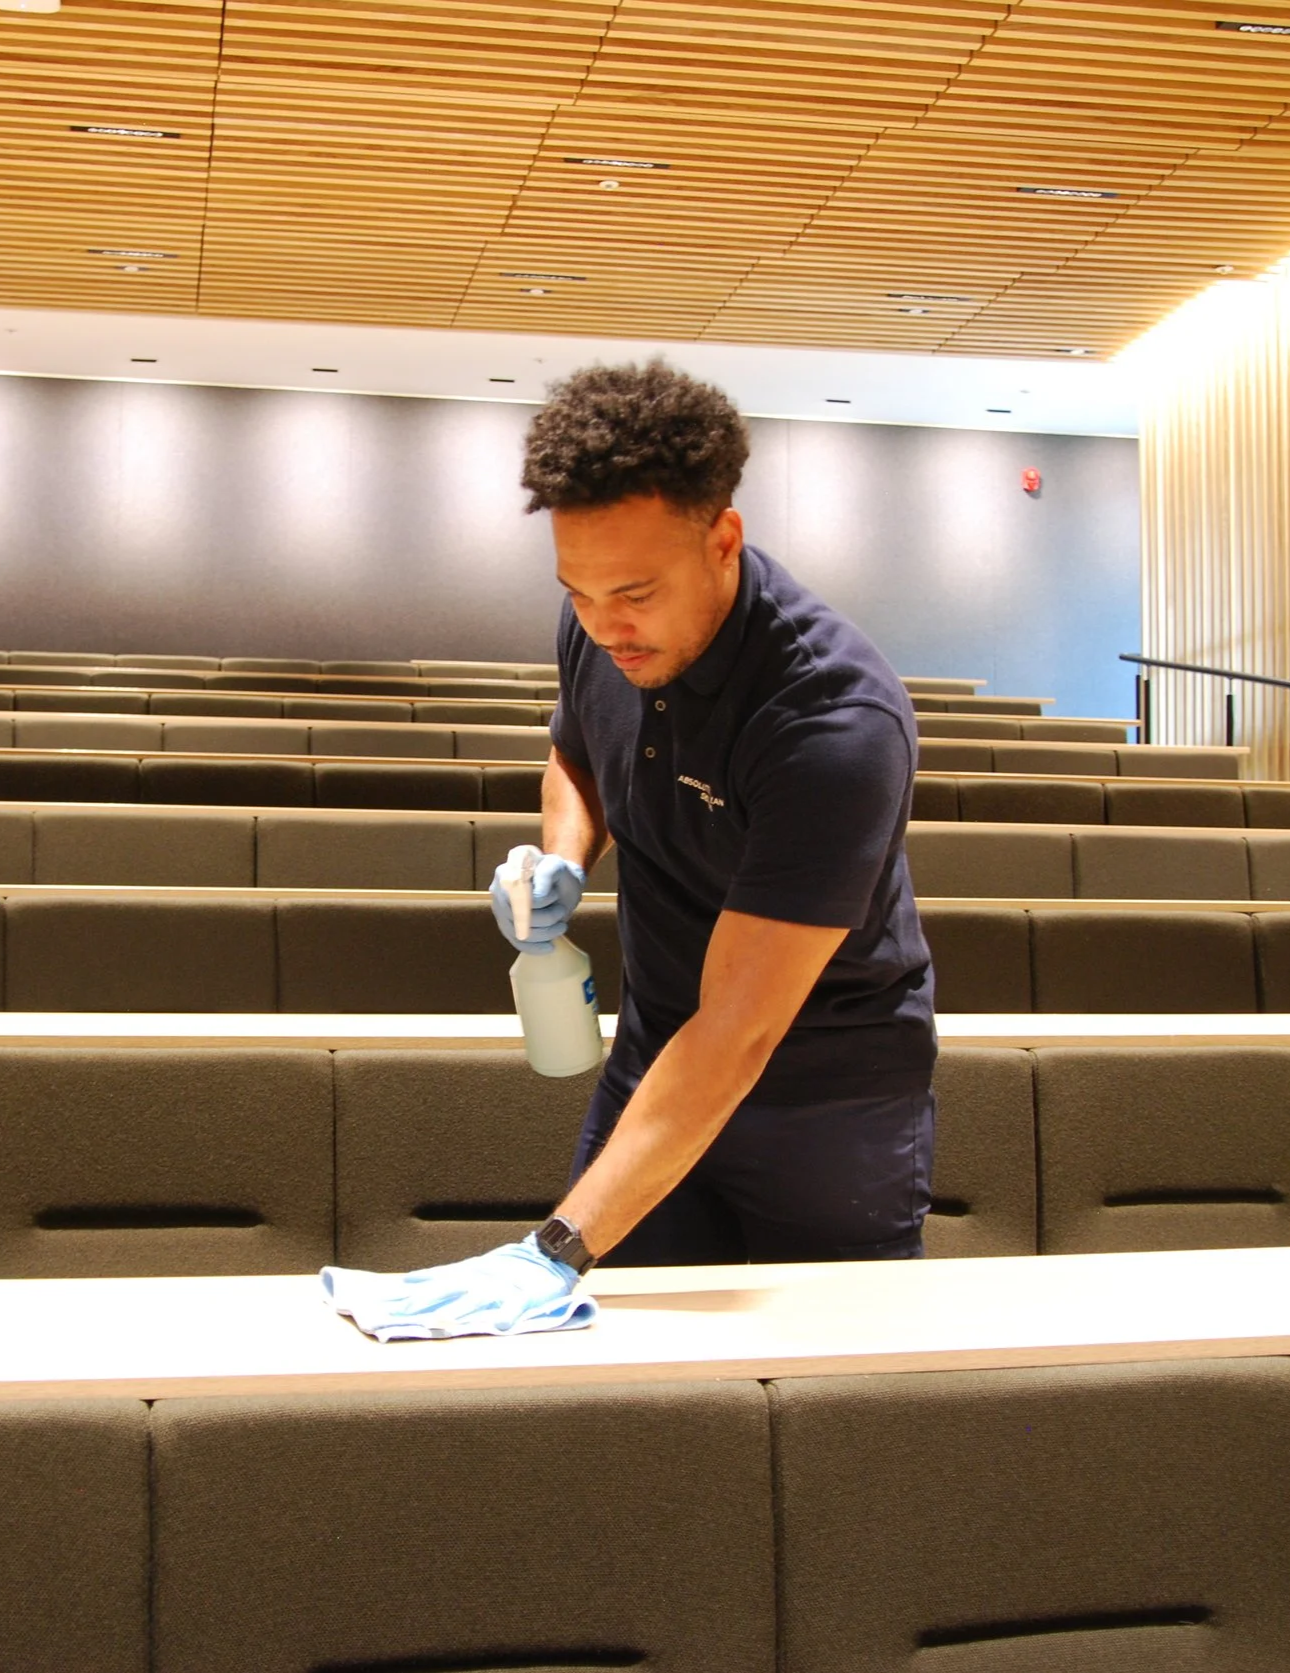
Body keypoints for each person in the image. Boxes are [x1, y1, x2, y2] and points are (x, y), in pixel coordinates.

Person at [322, 360, 936, 1342]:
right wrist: (562, 855)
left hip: (826, 1106)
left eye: (635, 592)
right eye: (578, 591)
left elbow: (739, 1027)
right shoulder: (601, 624)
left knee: (835, 1382)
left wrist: (554, 1246)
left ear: (723, 538)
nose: (605, 624)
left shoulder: (832, 721)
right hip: (657, 1055)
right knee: (613, 1361)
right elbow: (576, 749)